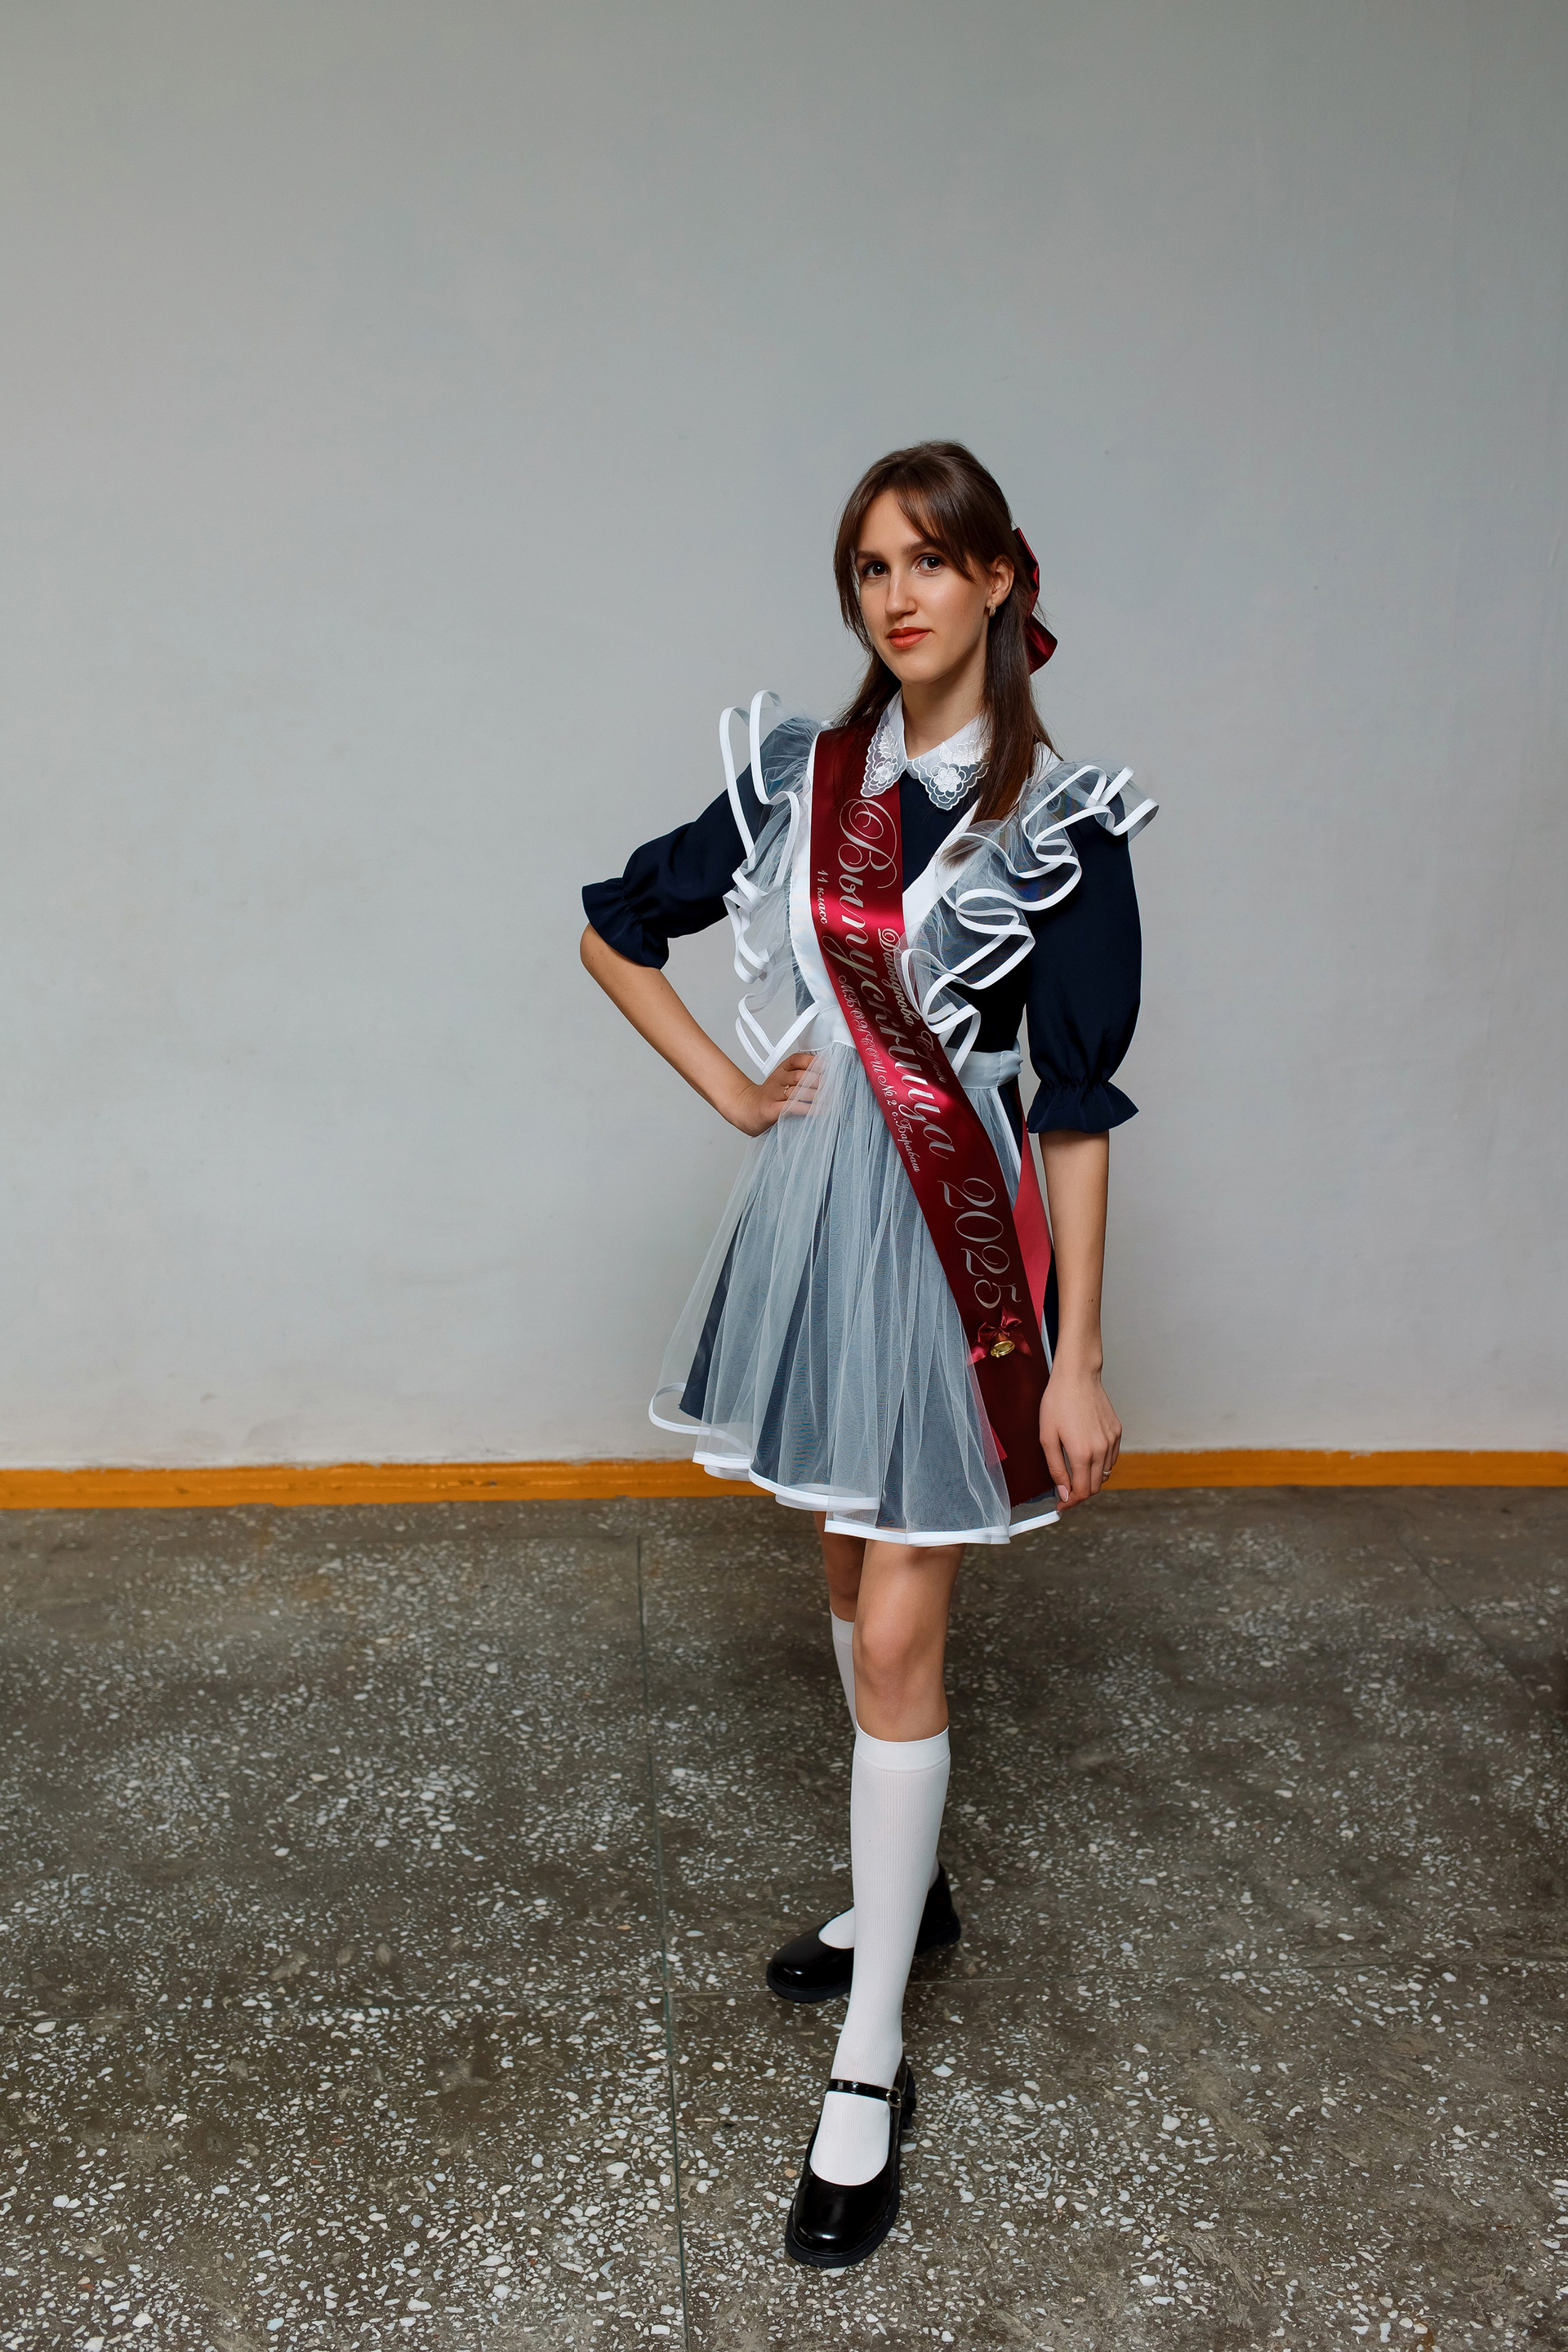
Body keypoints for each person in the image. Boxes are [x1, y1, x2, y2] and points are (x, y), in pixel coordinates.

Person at [581, 441, 1155, 2270]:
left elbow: (1074, 1107)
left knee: (902, 1630)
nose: (896, 597)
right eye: (869, 570)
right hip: (825, 1216)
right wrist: (740, 1090)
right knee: (844, 1563)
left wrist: (1077, 1356)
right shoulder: (804, 777)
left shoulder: (1063, 827)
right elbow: (618, 925)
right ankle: (909, 1897)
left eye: (928, 561)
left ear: (1001, 579)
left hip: (955, 1240)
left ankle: (871, 2051)